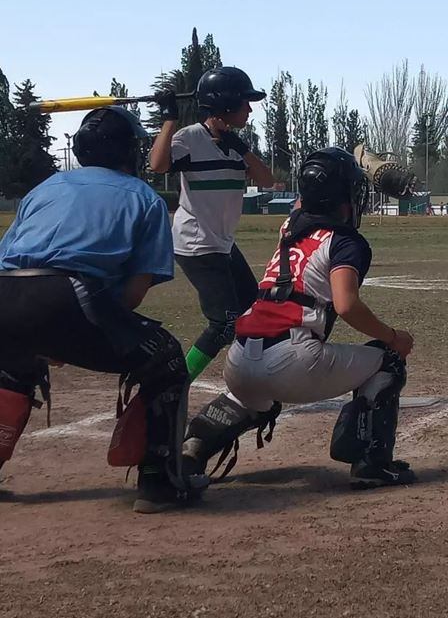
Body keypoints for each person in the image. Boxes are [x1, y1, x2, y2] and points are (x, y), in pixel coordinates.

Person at [0, 107, 205, 513]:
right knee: (164, 358)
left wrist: (54, 334)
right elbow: (132, 294)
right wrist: (72, 334)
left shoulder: (44, 189)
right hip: (68, 295)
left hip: (5, 292)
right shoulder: (143, 198)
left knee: (12, 366)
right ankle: (159, 481)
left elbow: (12, 263)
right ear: (129, 151)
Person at [182, 147, 417, 489]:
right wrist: (393, 337)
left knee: (255, 399)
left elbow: (310, 197)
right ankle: (372, 462)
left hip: (240, 358)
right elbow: (347, 304)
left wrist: (350, 164)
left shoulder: (290, 225)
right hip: (292, 359)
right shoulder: (347, 242)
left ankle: (195, 445)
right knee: (388, 360)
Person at [149, 66, 274, 382]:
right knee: (224, 324)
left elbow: (268, 180)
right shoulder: (190, 138)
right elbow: (157, 164)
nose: (249, 109)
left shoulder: (235, 146)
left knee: (252, 311)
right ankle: (175, 384)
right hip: (197, 244)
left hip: (222, 244)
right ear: (225, 105)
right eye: (244, 102)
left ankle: (255, 374)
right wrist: (169, 119)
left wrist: (241, 147)